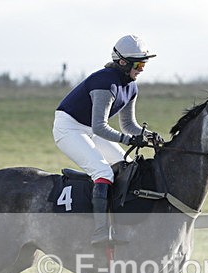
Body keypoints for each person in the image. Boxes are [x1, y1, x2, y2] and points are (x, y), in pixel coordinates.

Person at [53, 34, 160, 245]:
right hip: (69, 128)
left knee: (127, 166)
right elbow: (100, 127)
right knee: (103, 172)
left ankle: (121, 221)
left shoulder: (131, 86)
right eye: (138, 64)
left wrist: (148, 136)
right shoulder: (105, 83)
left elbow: (128, 124)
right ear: (123, 63)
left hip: (90, 129)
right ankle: (100, 232)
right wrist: (128, 140)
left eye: (144, 64)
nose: (142, 69)